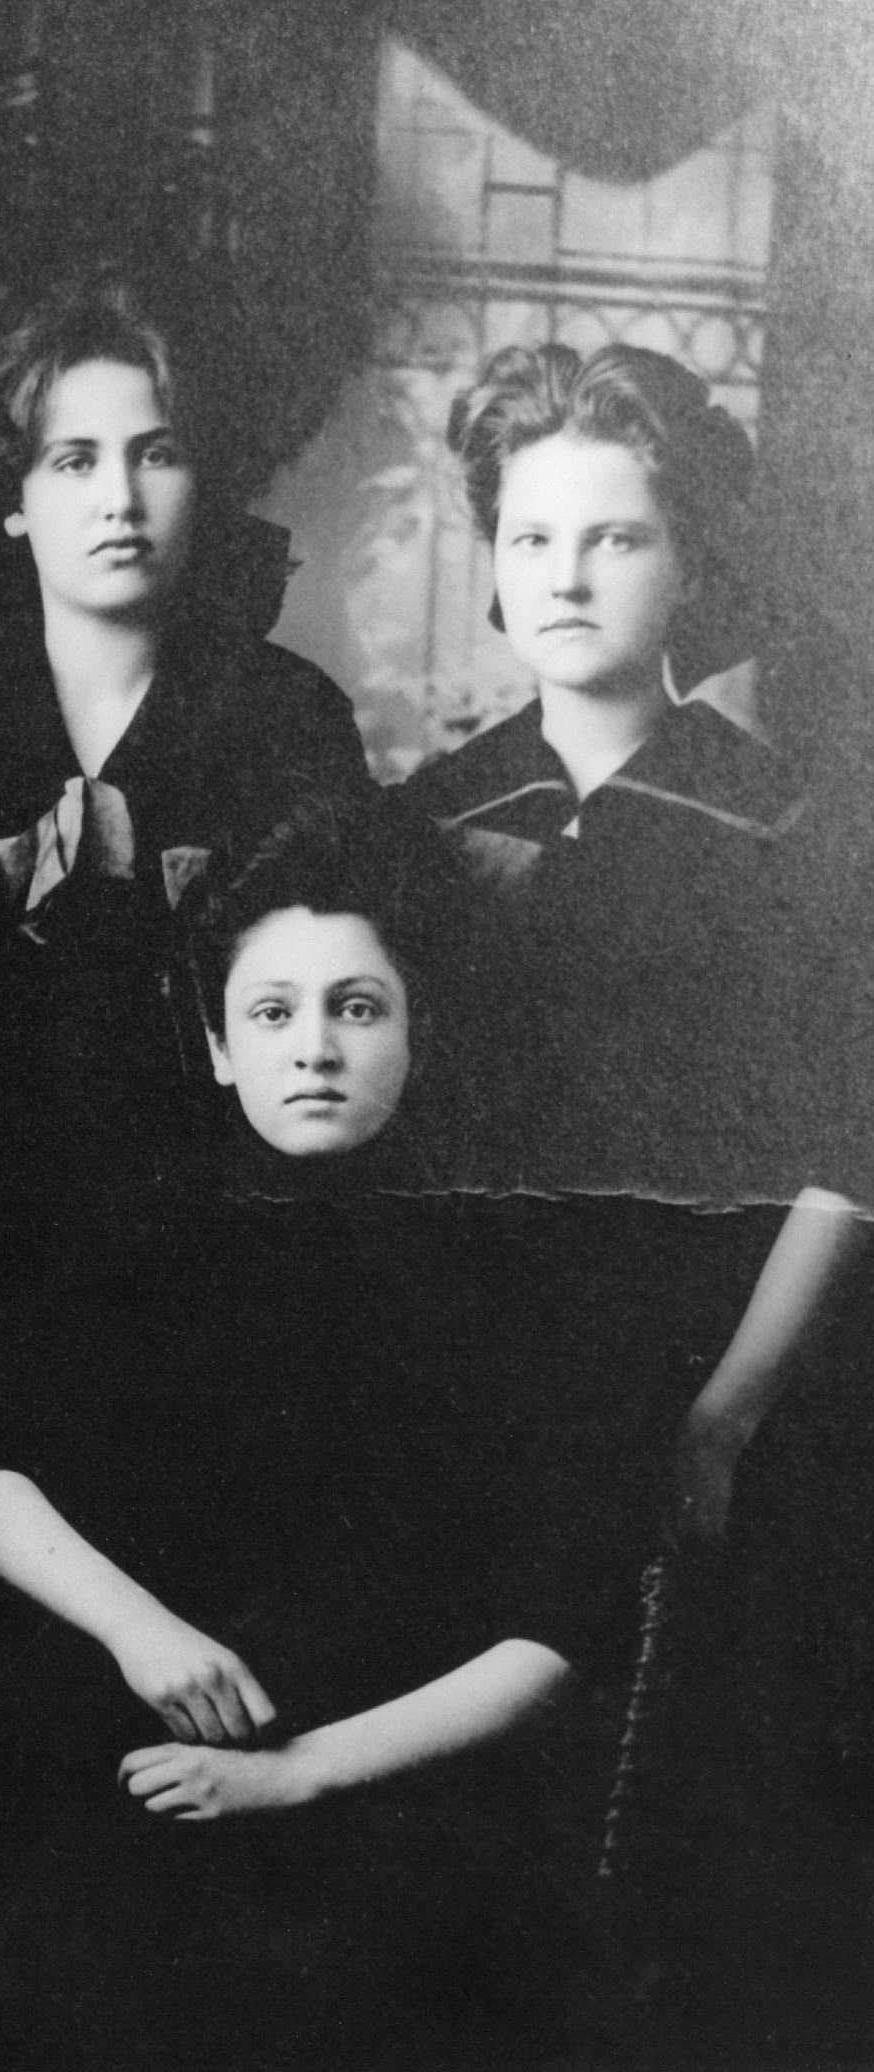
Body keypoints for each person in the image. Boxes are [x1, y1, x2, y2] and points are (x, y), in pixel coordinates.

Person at [0, 795, 633, 2067]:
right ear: (215, 1044)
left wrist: (303, 1770)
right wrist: (137, 1628)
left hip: (408, 1797)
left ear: (418, 1030)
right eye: (270, 1011)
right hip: (168, 1765)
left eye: (355, 1007)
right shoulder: (145, 1243)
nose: (310, 1046)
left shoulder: (520, 1272)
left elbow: (561, 1628)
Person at [398, 340, 871, 2053]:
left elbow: (850, 1140)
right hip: (485, 1382)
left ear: (684, 562)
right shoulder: (426, 823)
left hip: (732, 1381)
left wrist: (731, 1412)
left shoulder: (790, 827)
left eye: (617, 538)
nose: (572, 576)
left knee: (690, 1848)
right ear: (492, 559)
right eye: (534, 541)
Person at [0, 262, 373, 1209]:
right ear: (15, 497)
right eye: (74, 459)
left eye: (157, 454)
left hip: (218, 1216)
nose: (119, 498)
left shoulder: (292, 721)